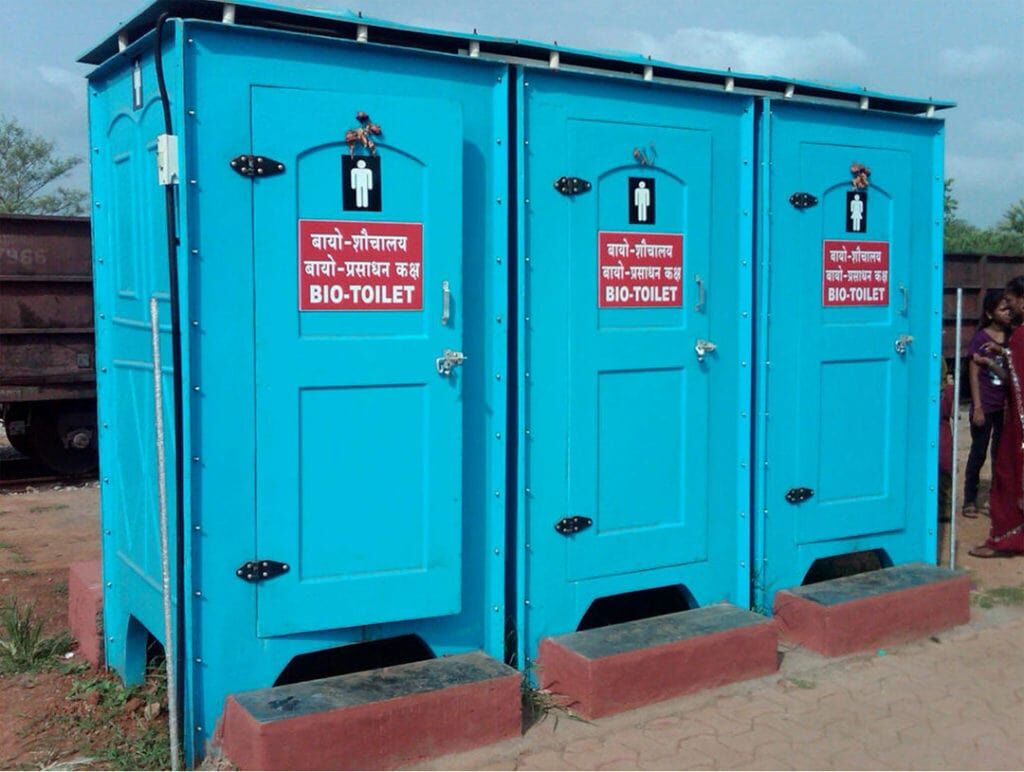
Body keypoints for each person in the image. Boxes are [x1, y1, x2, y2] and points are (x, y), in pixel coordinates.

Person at [969, 276, 1024, 558]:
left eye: (1011, 300)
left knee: (1008, 473)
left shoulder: (1020, 335)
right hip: (1007, 413)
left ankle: (1005, 539)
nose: (1010, 306)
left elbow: (1018, 379)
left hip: (1020, 423)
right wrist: (1000, 355)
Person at [962, 291, 1011, 517]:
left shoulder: (1013, 338)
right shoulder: (981, 338)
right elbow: (973, 373)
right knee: (978, 453)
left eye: (1009, 308)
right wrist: (978, 407)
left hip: (1005, 407)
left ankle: (995, 499)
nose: (1008, 313)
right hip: (986, 405)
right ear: (990, 313)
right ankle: (969, 500)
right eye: (1003, 309)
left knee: (1001, 456)